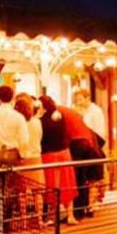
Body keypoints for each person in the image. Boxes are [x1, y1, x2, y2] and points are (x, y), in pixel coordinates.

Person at [38, 94, 78, 226]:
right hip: (64, 153)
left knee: (52, 186)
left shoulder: (41, 121)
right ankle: (70, 215)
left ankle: (52, 217)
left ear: (42, 106)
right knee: (67, 183)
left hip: (49, 155)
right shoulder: (59, 116)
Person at [61, 99, 103, 219]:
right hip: (88, 144)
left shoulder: (60, 113)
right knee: (82, 178)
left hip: (78, 143)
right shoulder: (71, 114)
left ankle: (77, 211)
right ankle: (82, 208)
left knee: (75, 178)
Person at [72, 88, 108, 212]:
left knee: (93, 178)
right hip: (82, 147)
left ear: (88, 98)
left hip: (93, 145)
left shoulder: (96, 111)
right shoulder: (78, 111)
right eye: (77, 100)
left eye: (81, 99)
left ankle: (91, 204)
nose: (79, 102)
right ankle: (84, 203)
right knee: (84, 177)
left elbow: (100, 132)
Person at [13, 94, 45, 229]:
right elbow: (40, 137)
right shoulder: (37, 122)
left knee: (22, 192)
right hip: (36, 157)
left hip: (23, 158)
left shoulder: (18, 123)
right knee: (38, 191)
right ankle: (39, 220)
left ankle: (24, 220)